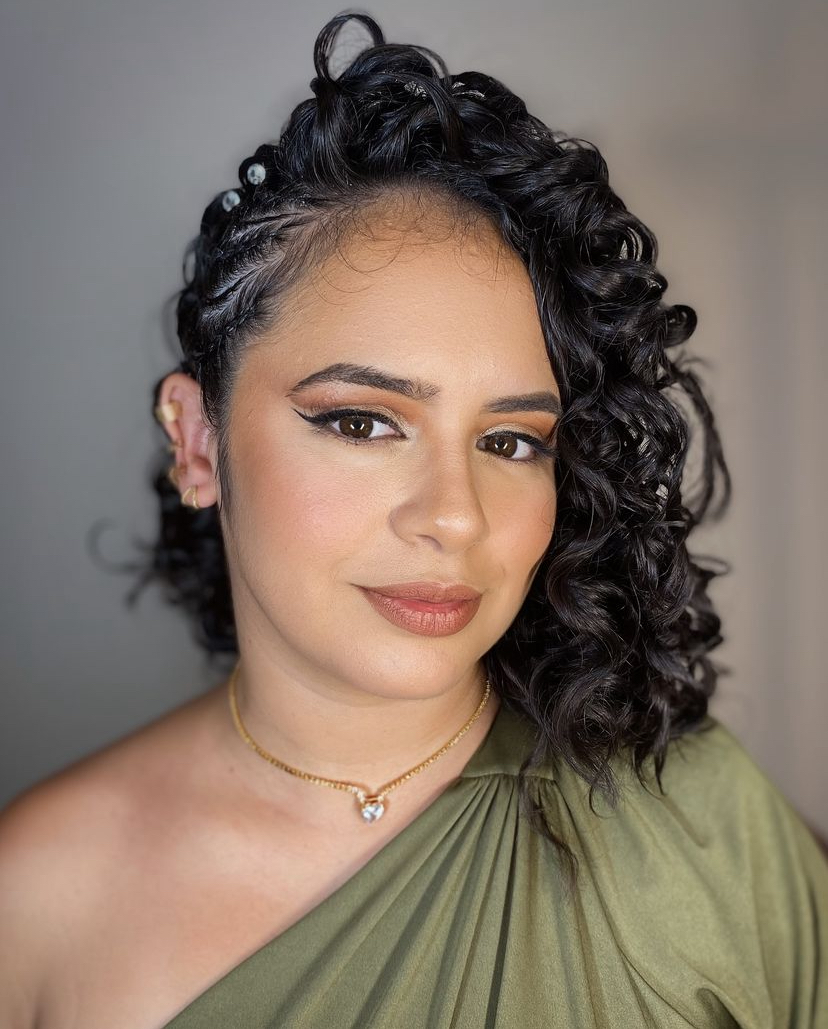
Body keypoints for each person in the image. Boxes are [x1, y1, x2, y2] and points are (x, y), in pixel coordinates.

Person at [1, 10, 826, 1029]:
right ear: (198, 441)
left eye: (511, 441)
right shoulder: (38, 897)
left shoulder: (698, 826)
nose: (454, 517)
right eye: (362, 421)